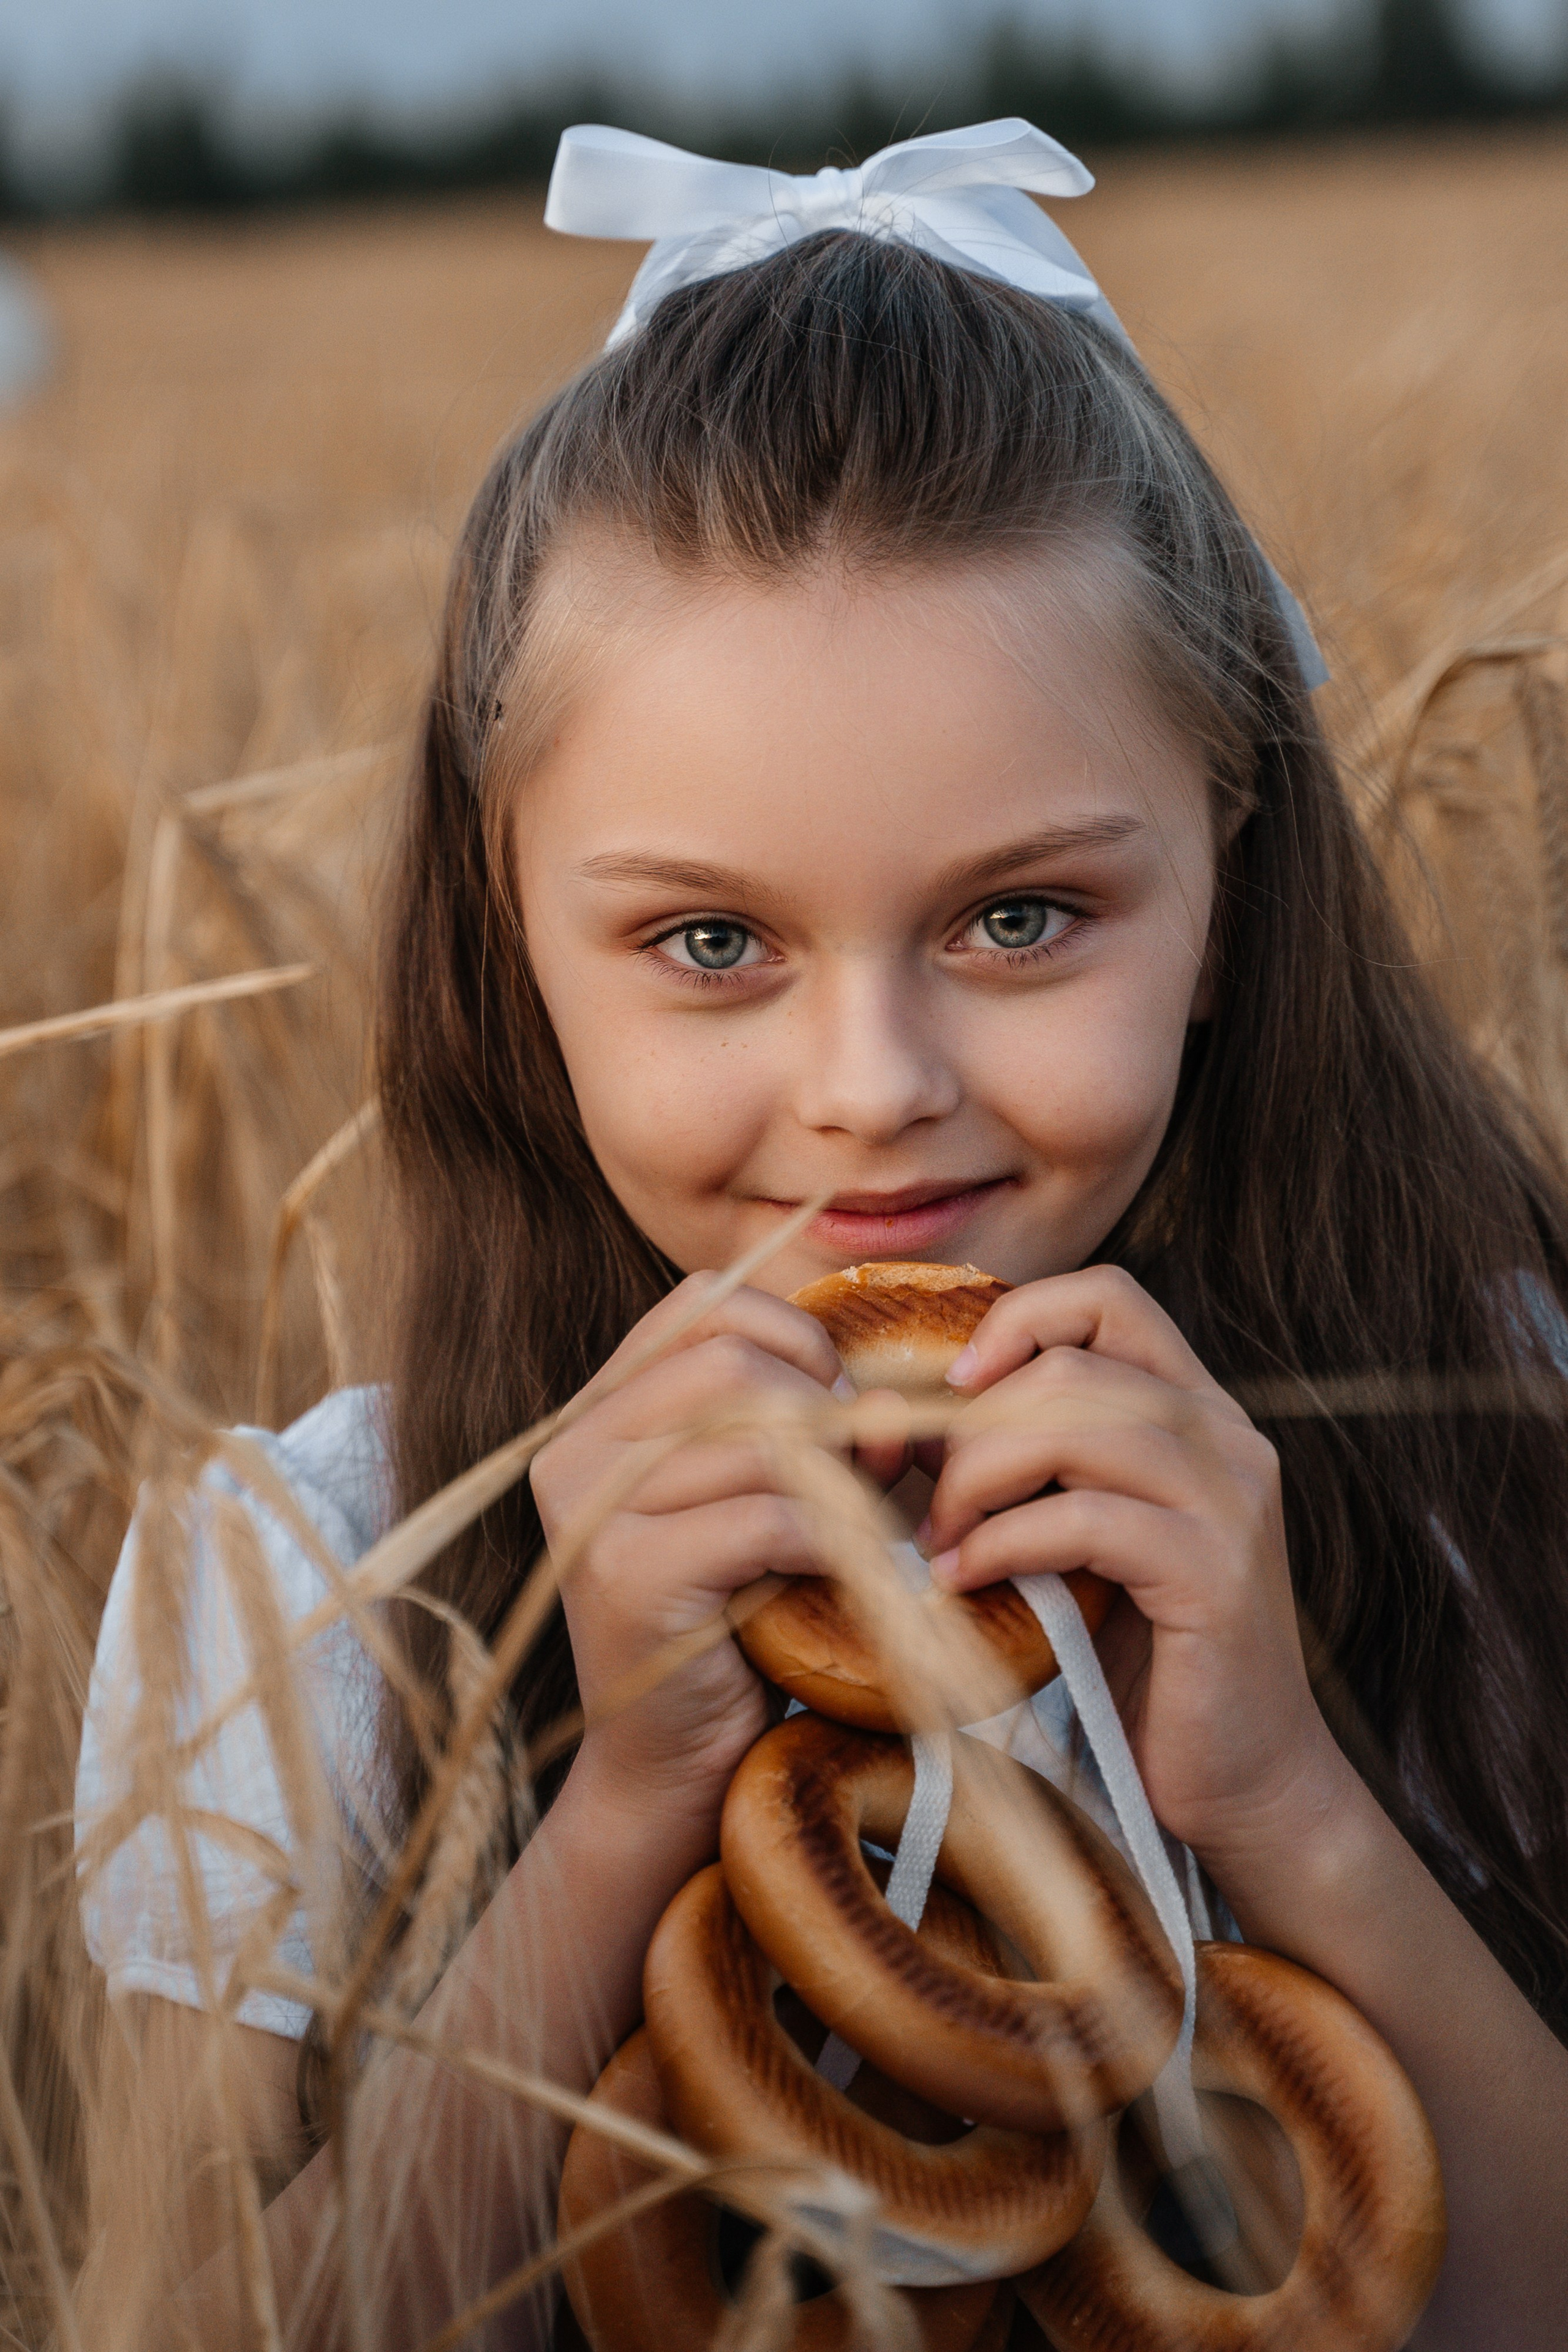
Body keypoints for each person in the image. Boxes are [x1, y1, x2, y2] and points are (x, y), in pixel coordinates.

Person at [74, 120, 1568, 2352]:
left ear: (1230, 882)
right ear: (512, 930)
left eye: (1022, 916)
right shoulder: (320, 1591)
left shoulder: (1501, 1437)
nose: (874, 1082)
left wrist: (1289, 1806)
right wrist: (614, 1821)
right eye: (708, 942)